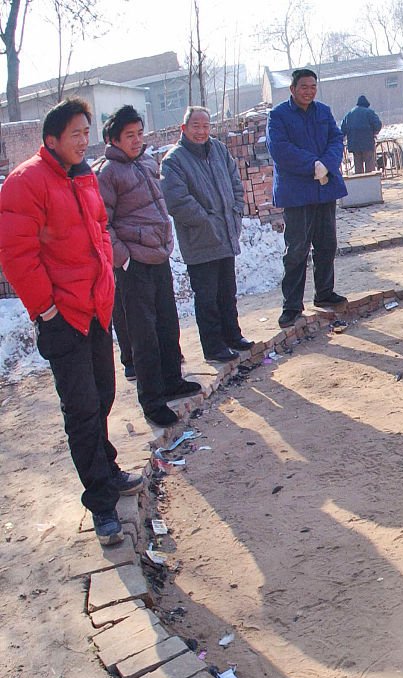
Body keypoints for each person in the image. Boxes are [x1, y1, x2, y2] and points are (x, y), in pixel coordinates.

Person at [0, 98, 142, 546]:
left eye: (86, 132)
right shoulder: (26, 183)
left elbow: (99, 228)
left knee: (102, 395)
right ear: (51, 140)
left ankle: (108, 467)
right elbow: (17, 256)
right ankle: (100, 504)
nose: (83, 140)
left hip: (95, 308)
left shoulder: (82, 177)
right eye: (75, 134)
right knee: (81, 409)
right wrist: (47, 310)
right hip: (62, 318)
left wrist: (106, 282)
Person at [97, 105, 200, 428]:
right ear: (114, 139)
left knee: (167, 324)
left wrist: (165, 240)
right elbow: (103, 224)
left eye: (140, 134)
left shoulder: (145, 161)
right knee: (144, 336)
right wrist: (123, 258)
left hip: (158, 256)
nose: (137, 140)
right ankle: (153, 400)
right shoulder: (107, 173)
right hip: (133, 264)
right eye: (130, 136)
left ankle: (172, 380)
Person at [161, 106, 255, 365]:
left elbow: (236, 183)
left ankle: (232, 336)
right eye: (196, 126)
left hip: (225, 234)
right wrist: (207, 221)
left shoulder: (218, 150)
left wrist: (235, 211)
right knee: (207, 297)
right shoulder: (174, 161)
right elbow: (177, 201)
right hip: (200, 241)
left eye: (206, 126)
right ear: (184, 129)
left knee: (228, 292)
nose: (202, 131)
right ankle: (213, 347)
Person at [267, 68, 349, 327]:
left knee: (326, 243)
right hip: (296, 190)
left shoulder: (323, 111)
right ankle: (291, 305)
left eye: (313, 86)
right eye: (304, 86)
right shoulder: (278, 116)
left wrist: (326, 163)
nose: (309, 91)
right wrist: (312, 164)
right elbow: (280, 149)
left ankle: (324, 293)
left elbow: (336, 140)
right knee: (297, 249)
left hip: (324, 187)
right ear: (292, 89)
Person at [341, 95, 383, 174]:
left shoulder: (349, 114)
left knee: (358, 166)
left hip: (354, 144)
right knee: (370, 165)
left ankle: (360, 183)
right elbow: (377, 124)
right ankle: (370, 183)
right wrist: (375, 132)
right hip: (367, 143)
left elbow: (342, 129)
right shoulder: (369, 112)